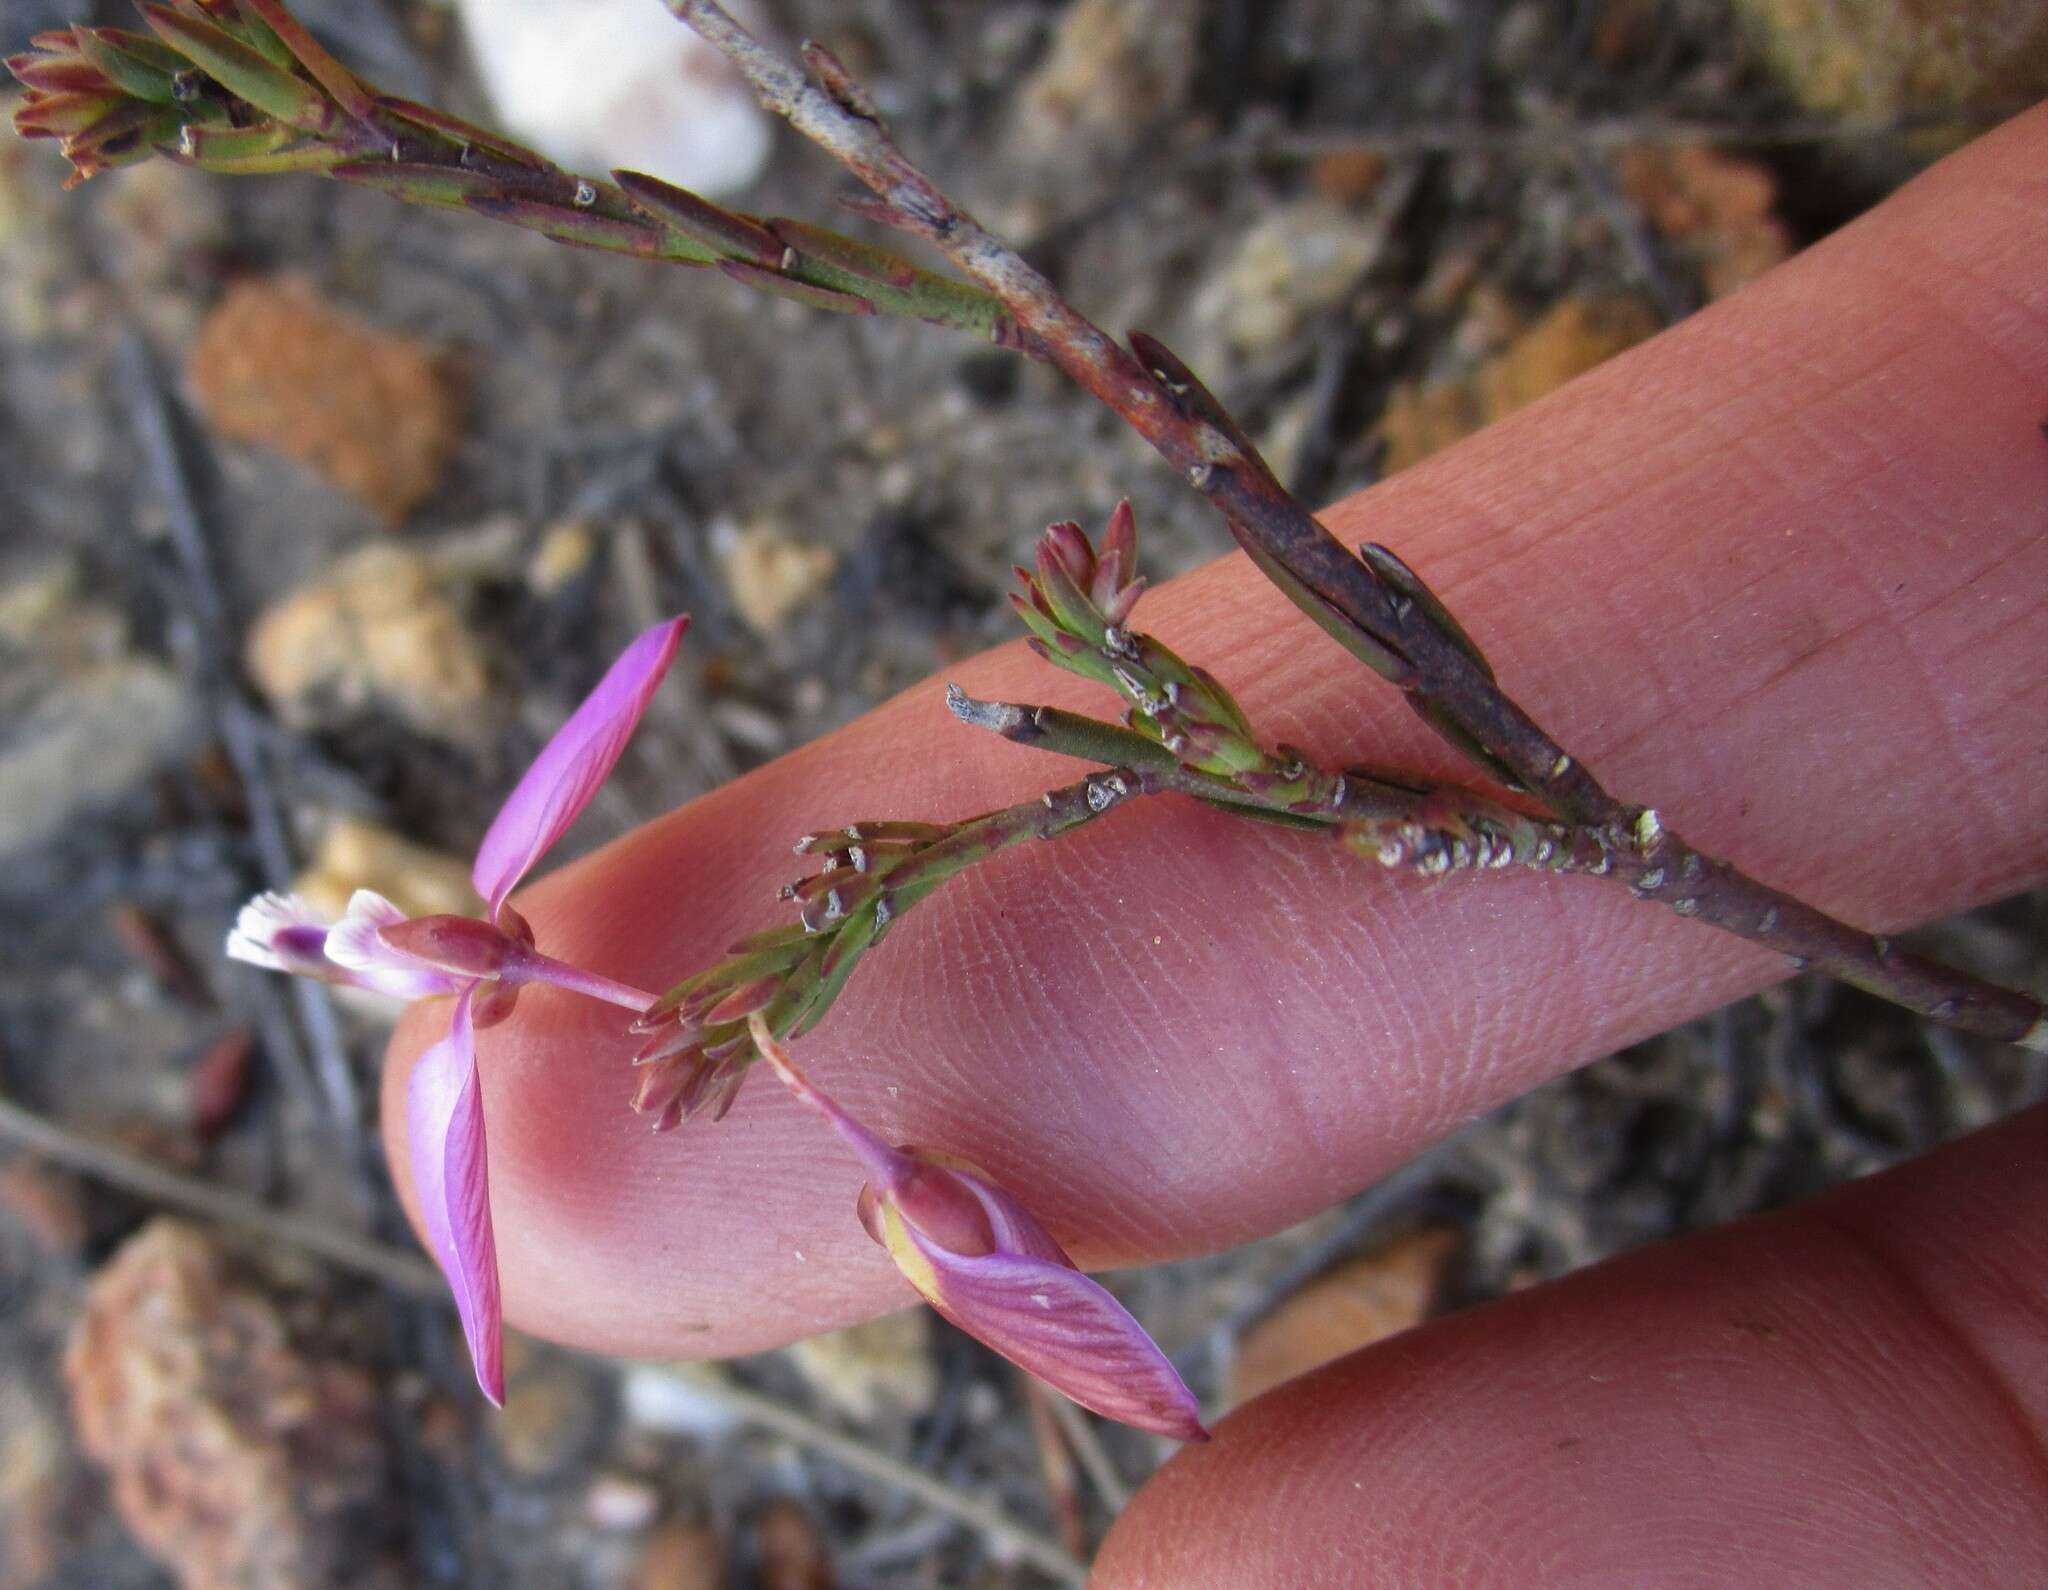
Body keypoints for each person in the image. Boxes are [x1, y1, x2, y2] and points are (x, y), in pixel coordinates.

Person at [382, 107, 2048, 1583]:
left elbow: (630, 701)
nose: (431, 945)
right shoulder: (521, 985)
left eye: (438, 946)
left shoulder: (530, 949)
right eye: (441, 953)